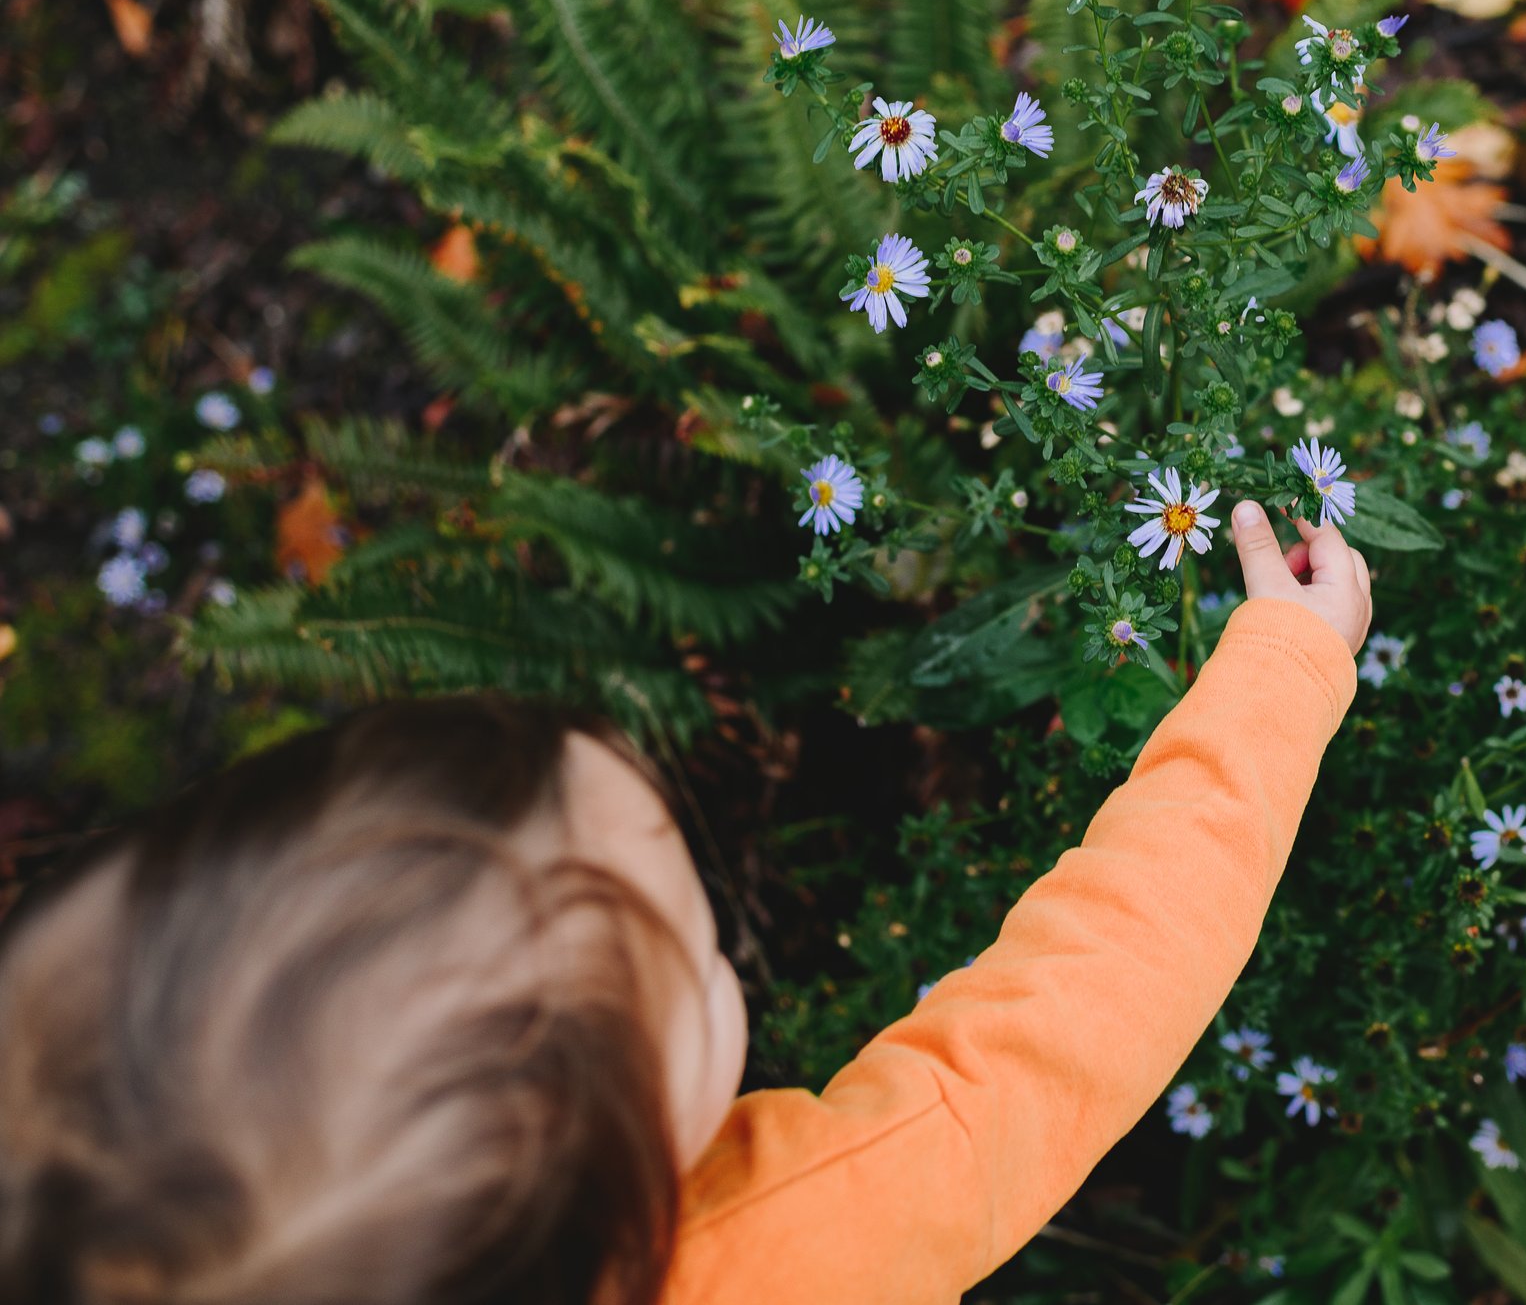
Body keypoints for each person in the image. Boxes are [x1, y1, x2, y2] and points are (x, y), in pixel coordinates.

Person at [0, 502, 1369, 1305]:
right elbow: (1081, 1010)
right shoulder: (783, 1244)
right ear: (622, 1181)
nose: (724, 953)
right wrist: (1280, 675)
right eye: (699, 956)